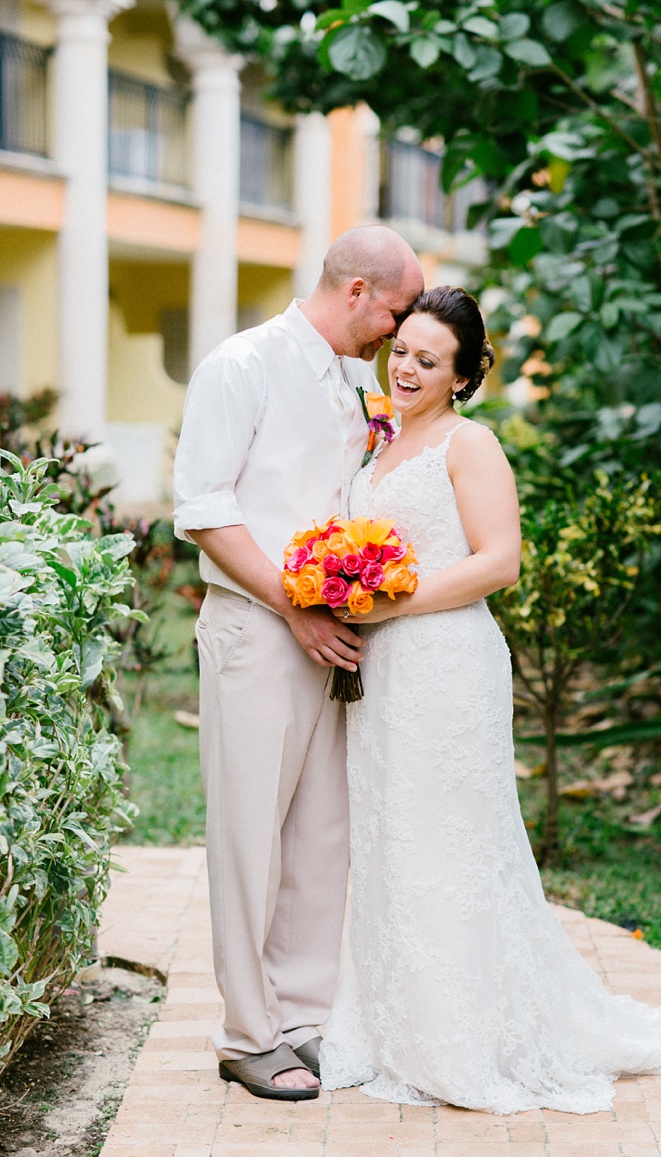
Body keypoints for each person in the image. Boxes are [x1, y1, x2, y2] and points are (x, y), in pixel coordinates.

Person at [319, 286, 661, 1113]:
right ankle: (394, 1023)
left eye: (428, 361)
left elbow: (499, 560)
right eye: (401, 350)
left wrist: (390, 602)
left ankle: (466, 1036)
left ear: (464, 375)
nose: (405, 367)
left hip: (444, 664)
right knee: (391, 835)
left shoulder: (470, 445)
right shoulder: (381, 446)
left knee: (452, 843)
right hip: (382, 673)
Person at [172, 225, 425, 1101]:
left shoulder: (354, 383)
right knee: (250, 836)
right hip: (257, 631)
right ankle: (247, 1032)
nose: (396, 334)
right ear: (357, 291)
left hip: (332, 634)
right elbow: (204, 507)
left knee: (321, 833)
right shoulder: (241, 365)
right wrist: (293, 605)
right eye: (394, 313)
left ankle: (303, 1018)